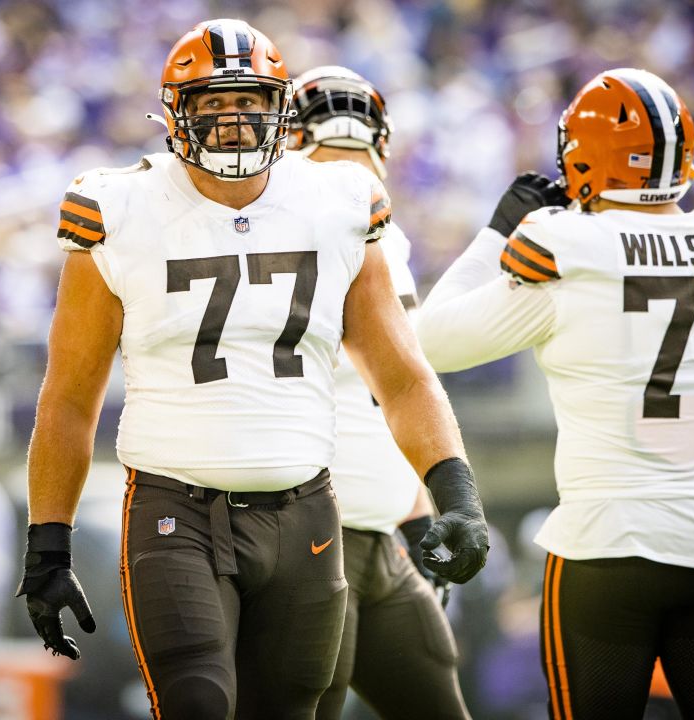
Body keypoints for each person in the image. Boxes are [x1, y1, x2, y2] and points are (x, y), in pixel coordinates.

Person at [17, 19, 490, 720]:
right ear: (175, 113)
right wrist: (47, 544)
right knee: (199, 699)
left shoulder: (337, 202)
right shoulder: (117, 207)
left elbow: (401, 374)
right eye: (213, 104)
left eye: (250, 102)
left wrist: (457, 495)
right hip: (175, 508)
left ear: (279, 109)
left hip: (306, 511)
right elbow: (69, 396)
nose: (234, 121)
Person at [414, 68, 694, 719]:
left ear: (580, 158)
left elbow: (428, 342)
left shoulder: (564, 242)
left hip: (611, 546)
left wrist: (497, 235)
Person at [285, 66, 470, 720]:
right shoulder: (296, 226)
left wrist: (419, 512)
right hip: (308, 533)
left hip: (374, 532)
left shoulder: (383, 232)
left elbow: (399, 389)